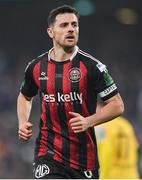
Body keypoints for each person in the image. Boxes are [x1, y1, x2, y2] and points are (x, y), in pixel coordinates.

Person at [17, 5, 124, 179]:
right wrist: (22, 122)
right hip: (48, 153)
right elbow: (25, 96)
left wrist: (89, 121)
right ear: (50, 32)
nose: (70, 29)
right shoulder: (36, 67)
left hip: (84, 160)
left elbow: (117, 105)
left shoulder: (92, 67)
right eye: (64, 25)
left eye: (74, 25)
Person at [95, 112, 140, 179]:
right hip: (132, 175)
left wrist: (101, 177)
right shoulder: (125, 123)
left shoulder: (102, 126)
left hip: (112, 175)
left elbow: (105, 153)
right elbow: (136, 147)